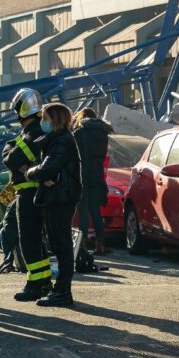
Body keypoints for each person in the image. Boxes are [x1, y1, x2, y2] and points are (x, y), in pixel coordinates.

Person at [26, 103, 83, 307]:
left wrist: (31, 173)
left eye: (45, 118)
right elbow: (46, 171)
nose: (42, 122)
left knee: (62, 245)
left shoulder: (62, 141)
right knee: (59, 244)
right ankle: (61, 290)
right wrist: (42, 175)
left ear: (55, 120)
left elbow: (46, 168)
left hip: (60, 197)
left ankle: (62, 292)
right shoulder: (56, 140)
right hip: (57, 196)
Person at [2, 88, 52, 302]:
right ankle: (44, 281)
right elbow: (10, 153)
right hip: (38, 193)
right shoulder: (38, 130)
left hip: (29, 193)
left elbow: (10, 159)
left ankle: (34, 284)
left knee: (29, 240)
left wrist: (17, 158)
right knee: (37, 240)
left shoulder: (32, 132)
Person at [72, 107, 113, 255]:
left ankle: (82, 245)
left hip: (82, 174)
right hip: (97, 175)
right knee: (96, 211)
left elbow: (76, 156)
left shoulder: (79, 133)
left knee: (82, 211)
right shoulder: (103, 133)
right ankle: (100, 245)